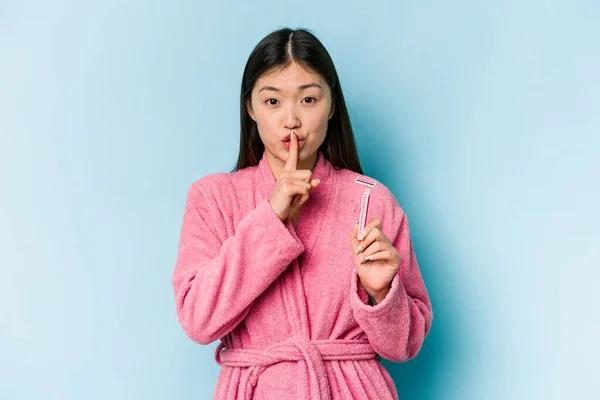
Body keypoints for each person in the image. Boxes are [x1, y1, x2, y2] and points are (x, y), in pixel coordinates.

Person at [172, 27, 433, 400]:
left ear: (331, 106)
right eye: (272, 101)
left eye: (308, 100)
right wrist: (271, 217)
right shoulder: (213, 198)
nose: (290, 119)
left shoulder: (370, 201)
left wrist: (381, 293)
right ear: (250, 107)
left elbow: (404, 346)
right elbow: (199, 321)